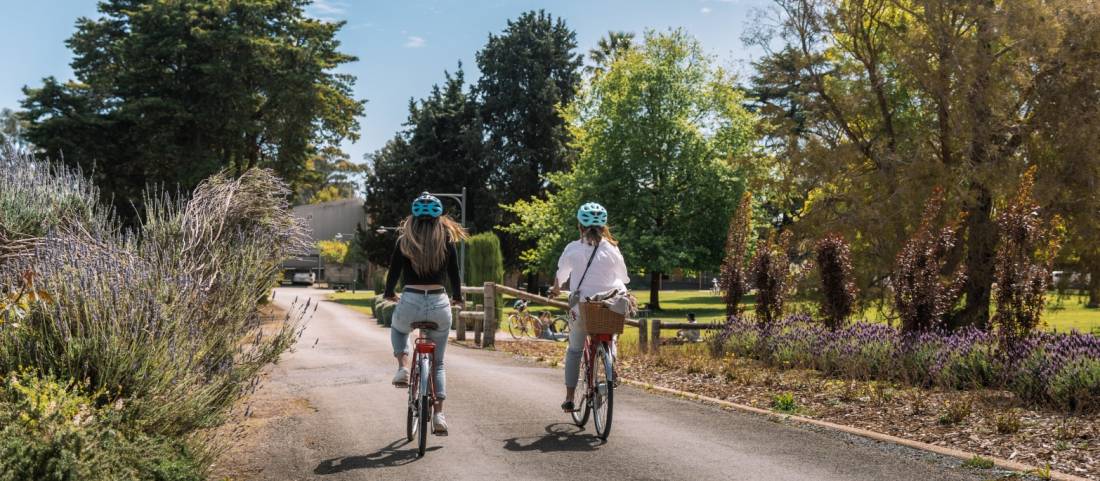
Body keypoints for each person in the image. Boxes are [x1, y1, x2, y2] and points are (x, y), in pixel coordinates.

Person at [384, 192, 467, 435]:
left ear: (413, 218)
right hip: (440, 303)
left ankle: (402, 367)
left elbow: (393, 273)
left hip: (410, 299)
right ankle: (439, 416)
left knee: (399, 330)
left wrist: (389, 293)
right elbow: (454, 275)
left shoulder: (403, 242)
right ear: (439, 219)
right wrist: (458, 298)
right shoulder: (447, 242)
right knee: (438, 364)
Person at [548, 202, 630, 413]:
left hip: (583, 308)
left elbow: (561, 277)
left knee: (574, 350)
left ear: (580, 226)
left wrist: (556, 290)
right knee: (611, 338)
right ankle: (610, 364)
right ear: (603, 227)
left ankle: (569, 398)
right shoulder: (612, 249)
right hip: (608, 307)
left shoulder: (573, 248)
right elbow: (624, 278)